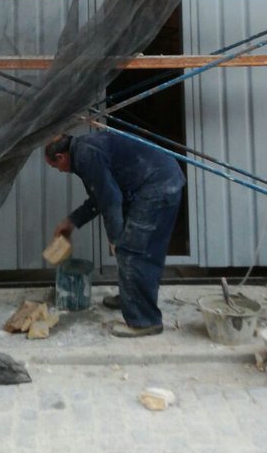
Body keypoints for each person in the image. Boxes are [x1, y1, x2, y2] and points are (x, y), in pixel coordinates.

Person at [45, 128, 184, 337]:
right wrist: (72, 221)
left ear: (60, 156)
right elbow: (100, 196)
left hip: (157, 187)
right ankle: (132, 299)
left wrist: (115, 237)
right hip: (156, 183)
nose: (59, 170)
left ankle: (144, 321)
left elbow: (110, 199)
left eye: (55, 166)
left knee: (132, 250)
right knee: (135, 249)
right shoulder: (85, 150)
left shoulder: (86, 155)